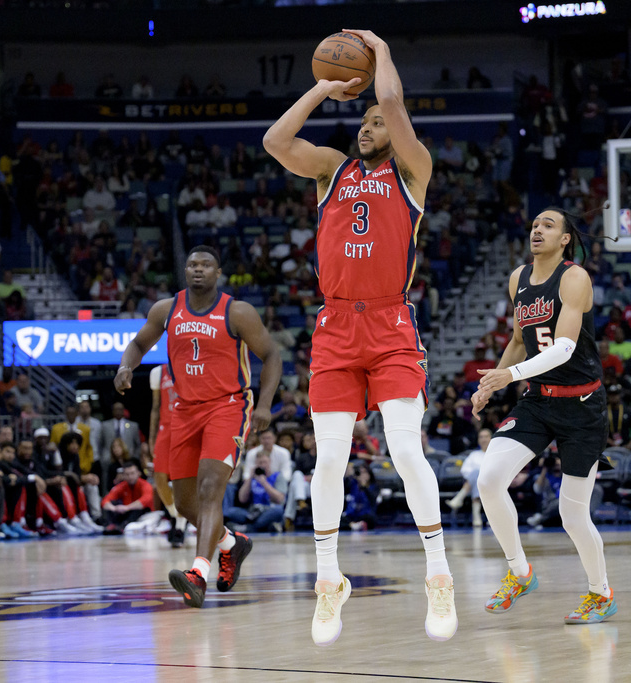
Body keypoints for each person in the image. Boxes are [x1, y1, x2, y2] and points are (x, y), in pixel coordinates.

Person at [263, 28, 456, 645]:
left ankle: (438, 573)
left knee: (404, 451)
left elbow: (396, 108)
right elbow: (275, 141)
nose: (370, 125)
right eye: (364, 120)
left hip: (392, 324)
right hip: (336, 326)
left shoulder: (414, 171)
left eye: (378, 120)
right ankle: (328, 583)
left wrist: (384, 56)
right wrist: (322, 87)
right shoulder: (330, 170)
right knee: (330, 460)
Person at [114, 245, 282, 608]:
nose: (198, 270)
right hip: (184, 412)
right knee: (186, 505)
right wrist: (126, 366)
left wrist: (265, 405)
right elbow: (139, 343)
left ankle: (198, 574)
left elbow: (272, 355)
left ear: (218, 272)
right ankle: (231, 544)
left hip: (227, 407)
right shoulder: (166, 309)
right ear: (185, 271)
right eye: (192, 264)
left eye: (206, 265)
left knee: (210, 489)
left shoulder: (237, 312)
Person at [472, 207, 617, 625]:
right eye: (535, 224)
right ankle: (520, 573)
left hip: (582, 406)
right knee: (489, 478)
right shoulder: (519, 278)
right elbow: (520, 340)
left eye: (548, 225)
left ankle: (600, 592)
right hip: (538, 400)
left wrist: (509, 376)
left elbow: (565, 347)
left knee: (572, 513)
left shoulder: (574, 277)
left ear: (566, 238)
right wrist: (489, 384)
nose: (538, 229)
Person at [150, 363, 187, 547]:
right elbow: (155, 407)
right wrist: (151, 438)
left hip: (187, 428)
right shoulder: (158, 372)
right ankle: (176, 516)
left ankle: (180, 526)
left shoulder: (191, 367)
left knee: (183, 479)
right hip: (165, 430)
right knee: (159, 479)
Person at [446, 427, 491, 527]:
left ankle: (459, 499)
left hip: (492, 482)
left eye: (486, 437)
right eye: (481, 437)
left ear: (491, 439)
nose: (483, 439)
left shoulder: (495, 454)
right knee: (476, 475)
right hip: (476, 483)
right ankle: (476, 516)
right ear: (478, 440)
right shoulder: (474, 454)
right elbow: (465, 470)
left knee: (477, 474)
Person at [101, 459, 153, 533]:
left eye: (132, 473)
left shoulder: (145, 485)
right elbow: (105, 501)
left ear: (138, 473)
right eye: (127, 474)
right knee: (112, 503)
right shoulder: (122, 486)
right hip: (126, 512)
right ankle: (111, 524)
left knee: (139, 509)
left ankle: (123, 525)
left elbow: (145, 500)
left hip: (140, 513)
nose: (130, 476)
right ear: (123, 475)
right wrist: (115, 508)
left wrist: (127, 507)